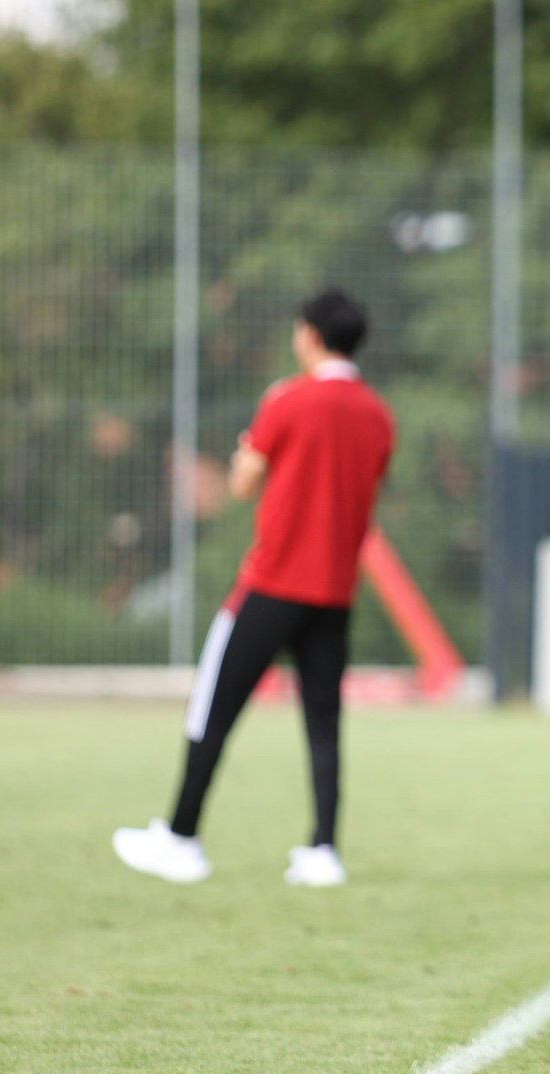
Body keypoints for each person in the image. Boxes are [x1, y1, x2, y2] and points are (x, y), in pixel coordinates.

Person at [112, 288, 394, 889]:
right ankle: (323, 850)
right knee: (323, 721)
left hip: (272, 584)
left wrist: (246, 454)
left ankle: (181, 838)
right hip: (335, 594)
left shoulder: (287, 399)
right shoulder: (378, 415)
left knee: (213, 708)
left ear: (310, 334)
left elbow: (243, 484)